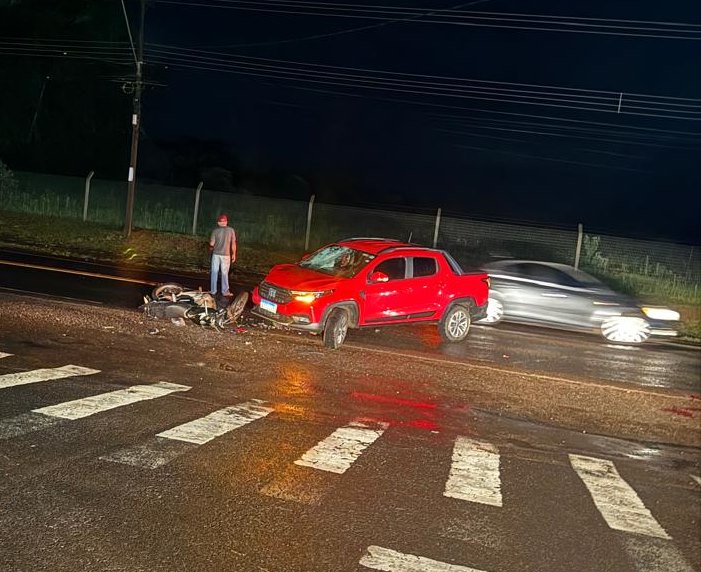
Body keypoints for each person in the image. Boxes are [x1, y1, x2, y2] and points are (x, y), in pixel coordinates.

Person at [209, 213, 237, 296]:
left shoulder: (215, 231)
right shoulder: (231, 230)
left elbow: (212, 243)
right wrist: (234, 254)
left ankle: (213, 290)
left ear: (218, 223)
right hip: (226, 255)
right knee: (225, 273)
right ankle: (225, 291)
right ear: (226, 222)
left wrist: (210, 249)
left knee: (214, 272)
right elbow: (233, 243)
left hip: (216, 255)